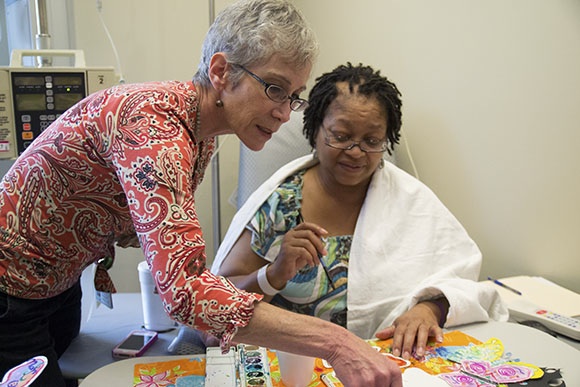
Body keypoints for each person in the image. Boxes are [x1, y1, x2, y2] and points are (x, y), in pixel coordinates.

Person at [0, 2, 402, 387]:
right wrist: (335, 342)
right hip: (10, 288)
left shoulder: (201, 135)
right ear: (222, 71)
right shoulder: (155, 132)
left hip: (58, 284)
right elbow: (185, 290)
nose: (284, 113)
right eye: (275, 89)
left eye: (292, 96)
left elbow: (173, 252)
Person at [212, 62, 508, 361]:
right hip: (296, 368)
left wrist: (429, 307)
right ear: (314, 131)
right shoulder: (282, 205)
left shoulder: (413, 201)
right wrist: (273, 274)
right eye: (340, 136)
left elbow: (462, 282)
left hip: (388, 364)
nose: (356, 151)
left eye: (371, 141)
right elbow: (216, 304)